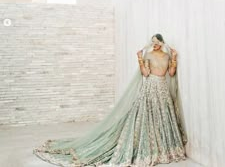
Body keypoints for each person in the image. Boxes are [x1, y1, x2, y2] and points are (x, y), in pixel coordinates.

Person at [33, 33, 188, 166]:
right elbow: (145, 73)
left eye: (156, 42)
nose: (154, 45)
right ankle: (147, 146)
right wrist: (140, 59)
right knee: (146, 119)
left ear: (162, 43)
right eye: (152, 42)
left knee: (161, 118)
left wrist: (174, 57)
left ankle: (162, 147)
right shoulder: (148, 55)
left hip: (162, 89)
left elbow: (172, 73)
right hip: (149, 89)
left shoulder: (167, 56)